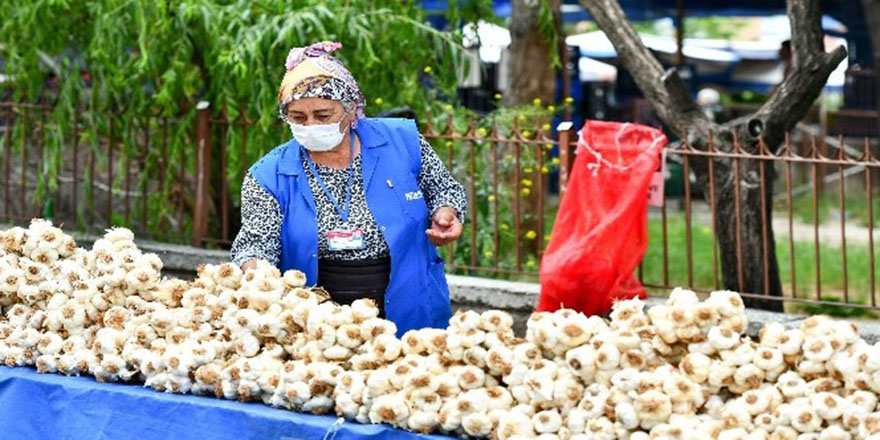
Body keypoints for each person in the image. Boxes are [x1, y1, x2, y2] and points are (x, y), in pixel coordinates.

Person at [230, 42, 467, 334]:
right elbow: (255, 244)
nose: (311, 125)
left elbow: (443, 187)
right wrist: (257, 274)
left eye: (323, 115)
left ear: (350, 109)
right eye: (298, 118)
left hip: (410, 308)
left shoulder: (401, 141)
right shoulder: (268, 175)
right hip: (317, 324)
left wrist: (446, 212)